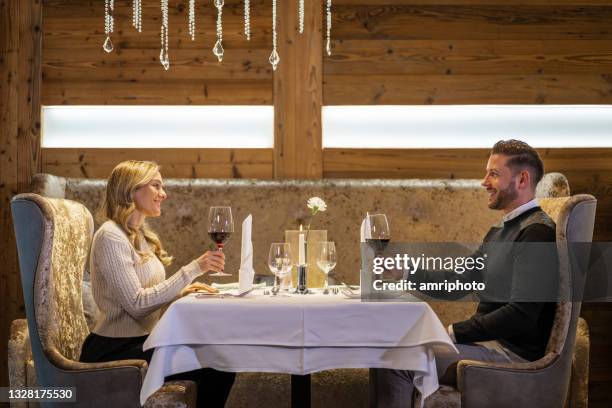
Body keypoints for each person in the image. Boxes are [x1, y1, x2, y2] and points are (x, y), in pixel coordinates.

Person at [369, 139, 558, 407]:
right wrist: (405, 273)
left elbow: (522, 314)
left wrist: (453, 332)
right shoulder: (502, 230)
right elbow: (461, 281)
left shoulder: (537, 233)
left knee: (397, 358)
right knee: (390, 348)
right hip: (488, 344)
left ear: (522, 179)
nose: (484, 181)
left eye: (493, 173)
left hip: (511, 355)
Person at [79, 160, 235, 407]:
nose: (164, 194)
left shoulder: (138, 234)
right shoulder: (111, 236)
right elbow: (137, 304)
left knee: (220, 357)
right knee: (217, 363)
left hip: (142, 342)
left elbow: (142, 294)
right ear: (131, 190)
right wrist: (194, 268)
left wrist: (180, 293)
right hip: (114, 351)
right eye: (156, 185)